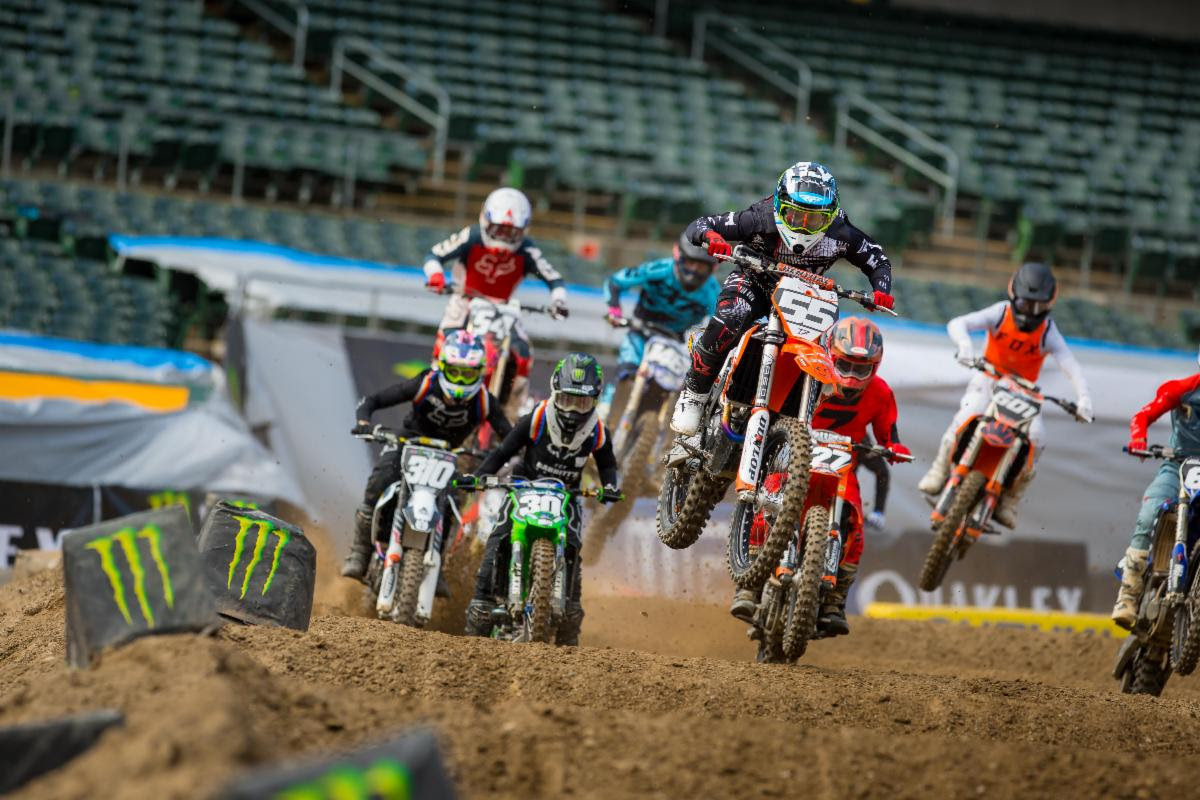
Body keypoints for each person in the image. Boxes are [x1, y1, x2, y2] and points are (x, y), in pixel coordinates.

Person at [670, 161, 895, 436]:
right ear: (779, 206)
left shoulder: (841, 232)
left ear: (830, 216)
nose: (802, 225)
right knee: (732, 318)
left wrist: (882, 289)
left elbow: (877, 258)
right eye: (795, 215)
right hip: (753, 281)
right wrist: (712, 236)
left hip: (805, 294)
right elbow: (701, 224)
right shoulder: (759, 217)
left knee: (822, 349)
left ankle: (796, 421)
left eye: (814, 219)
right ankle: (694, 394)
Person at [729, 318, 910, 635]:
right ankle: (750, 586)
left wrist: (893, 447)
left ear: (875, 368)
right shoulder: (810, 374)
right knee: (767, 504)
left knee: (854, 522)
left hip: (841, 468)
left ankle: (834, 601)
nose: (852, 378)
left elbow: (888, 433)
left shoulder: (881, 393)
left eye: (861, 370)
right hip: (793, 457)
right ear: (830, 355)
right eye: (845, 365)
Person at [916, 262, 1093, 528]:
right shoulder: (1000, 313)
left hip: (1025, 393)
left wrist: (1084, 399)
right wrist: (965, 345)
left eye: (1038, 306)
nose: (1030, 311)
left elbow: (1070, 365)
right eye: (1024, 302)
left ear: (1049, 303)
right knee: (966, 415)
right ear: (1013, 294)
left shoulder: (1048, 331)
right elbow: (958, 323)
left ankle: (1010, 499)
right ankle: (940, 469)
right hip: (989, 380)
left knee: (1038, 438)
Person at [461, 353, 620, 645]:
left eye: (581, 402)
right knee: (498, 536)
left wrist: (610, 486)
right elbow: (504, 451)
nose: (573, 410)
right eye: (568, 400)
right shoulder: (537, 417)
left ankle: (570, 613)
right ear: (555, 392)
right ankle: (482, 601)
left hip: (566, 494)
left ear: (594, 400)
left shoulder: (597, 430)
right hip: (525, 485)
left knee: (572, 547)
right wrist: (480, 475)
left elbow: (608, 464)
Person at [341, 330, 512, 581]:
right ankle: (360, 552)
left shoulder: (485, 401)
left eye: (468, 374)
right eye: (455, 372)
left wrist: (498, 456)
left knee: (454, 502)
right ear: (442, 367)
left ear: (480, 374)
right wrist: (365, 422)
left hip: (447, 455)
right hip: (406, 444)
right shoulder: (424, 383)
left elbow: (510, 437)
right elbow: (373, 400)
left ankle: (437, 566)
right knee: (379, 480)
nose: (461, 381)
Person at [423, 187, 569, 412]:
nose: (503, 237)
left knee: (524, 354)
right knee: (446, 342)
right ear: (486, 221)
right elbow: (435, 255)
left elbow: (554, 278)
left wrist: (558, 301)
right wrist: (436, 276)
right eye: (498, 229)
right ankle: (430, 393)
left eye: (510, 232)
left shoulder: (528, 249)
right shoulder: (471, 236)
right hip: (465, 300)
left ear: (523, 230)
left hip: (504, 309)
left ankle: (513, 409)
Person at [1111, 351, 1200, 627]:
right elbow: (1144, 415)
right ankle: (1128, 595)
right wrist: (1138, 438)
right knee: (1150, 515)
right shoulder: (1182, 389)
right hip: (1178, 465)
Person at [600, 232, 720, 414]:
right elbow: (615, 282)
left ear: (712, 269)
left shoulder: (712, 290)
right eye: (690, 263)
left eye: (701, 267)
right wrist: (614, 311)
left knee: (673, 387)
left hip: (675, 341)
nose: (694, 270)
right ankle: (608, 410)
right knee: (627, 368)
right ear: (679, 257)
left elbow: (718, 320)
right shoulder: (658, 270)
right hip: (641, 331)